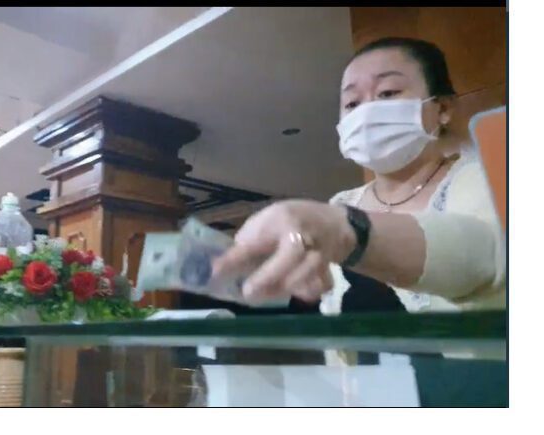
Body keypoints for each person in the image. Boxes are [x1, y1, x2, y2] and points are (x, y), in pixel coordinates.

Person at [213, 37, 505, 314]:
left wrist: (347, 230)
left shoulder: (487, 179)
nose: (366, 112)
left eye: (387, 93)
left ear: (442, 108)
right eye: (352, 103)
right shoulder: (343, 203)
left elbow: (486, 254)